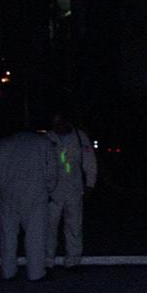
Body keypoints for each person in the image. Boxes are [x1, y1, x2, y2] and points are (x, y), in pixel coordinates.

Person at [0, 126, 60, 281]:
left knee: (8, 235)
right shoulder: (43, 143)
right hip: (35, 192)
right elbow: (52, 169)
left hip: (8, 193)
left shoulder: (4, 144)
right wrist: (48, 188)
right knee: (35, 235)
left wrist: (1, 188)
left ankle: (8, 271)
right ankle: (36, 273)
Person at [46, 111, 97, 269]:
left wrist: (90, 184)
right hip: (52, 189)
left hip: (74, 187)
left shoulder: (80, 137)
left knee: (74, 225)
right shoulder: (47, 138)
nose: (57, 126)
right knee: (49, 226)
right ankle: (47, 261)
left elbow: (90, 162)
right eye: (54, 123)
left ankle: (73, 260)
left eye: (60, 122)